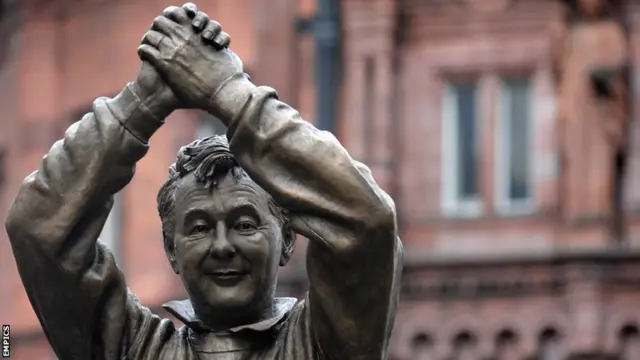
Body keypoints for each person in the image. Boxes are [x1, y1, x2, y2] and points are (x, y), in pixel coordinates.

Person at [5, 3, 403, 359]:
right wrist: (144, 101)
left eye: (245, 224)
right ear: (171, 249)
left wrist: (227, 91)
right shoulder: (131, 349)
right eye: (198, 228)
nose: (223, 246)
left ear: (286, 240)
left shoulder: (323, 346)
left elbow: (366, 221)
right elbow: (39, 227)